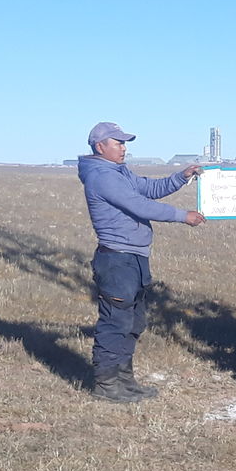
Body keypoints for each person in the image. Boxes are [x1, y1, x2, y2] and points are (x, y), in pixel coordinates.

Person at [77, 121, 204, 403]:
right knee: (116, 321)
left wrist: (181, 176)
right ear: (100, 147)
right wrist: (183, 216)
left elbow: (149, 189)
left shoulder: (118, 172)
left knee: (134, 320)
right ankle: (107, 385)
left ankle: (124, 379)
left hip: (133, 257)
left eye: (124, 143)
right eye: (118, 143)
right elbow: (140, 205)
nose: (123, 148)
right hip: (117, 261)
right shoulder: (102, 176)